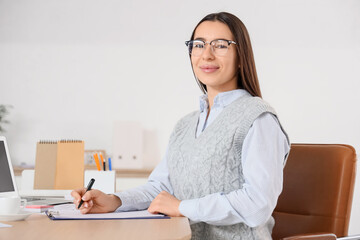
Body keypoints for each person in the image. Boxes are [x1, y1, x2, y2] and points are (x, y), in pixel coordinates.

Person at [72, 12, 290, 240]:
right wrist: (114, 201)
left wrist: (182, 207)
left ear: (241, 56)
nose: (207, 54)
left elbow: (257, 204)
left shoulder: (258, 119)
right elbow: (161, 189)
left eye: (220, 45)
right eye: (199, 45)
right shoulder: (185, 125)